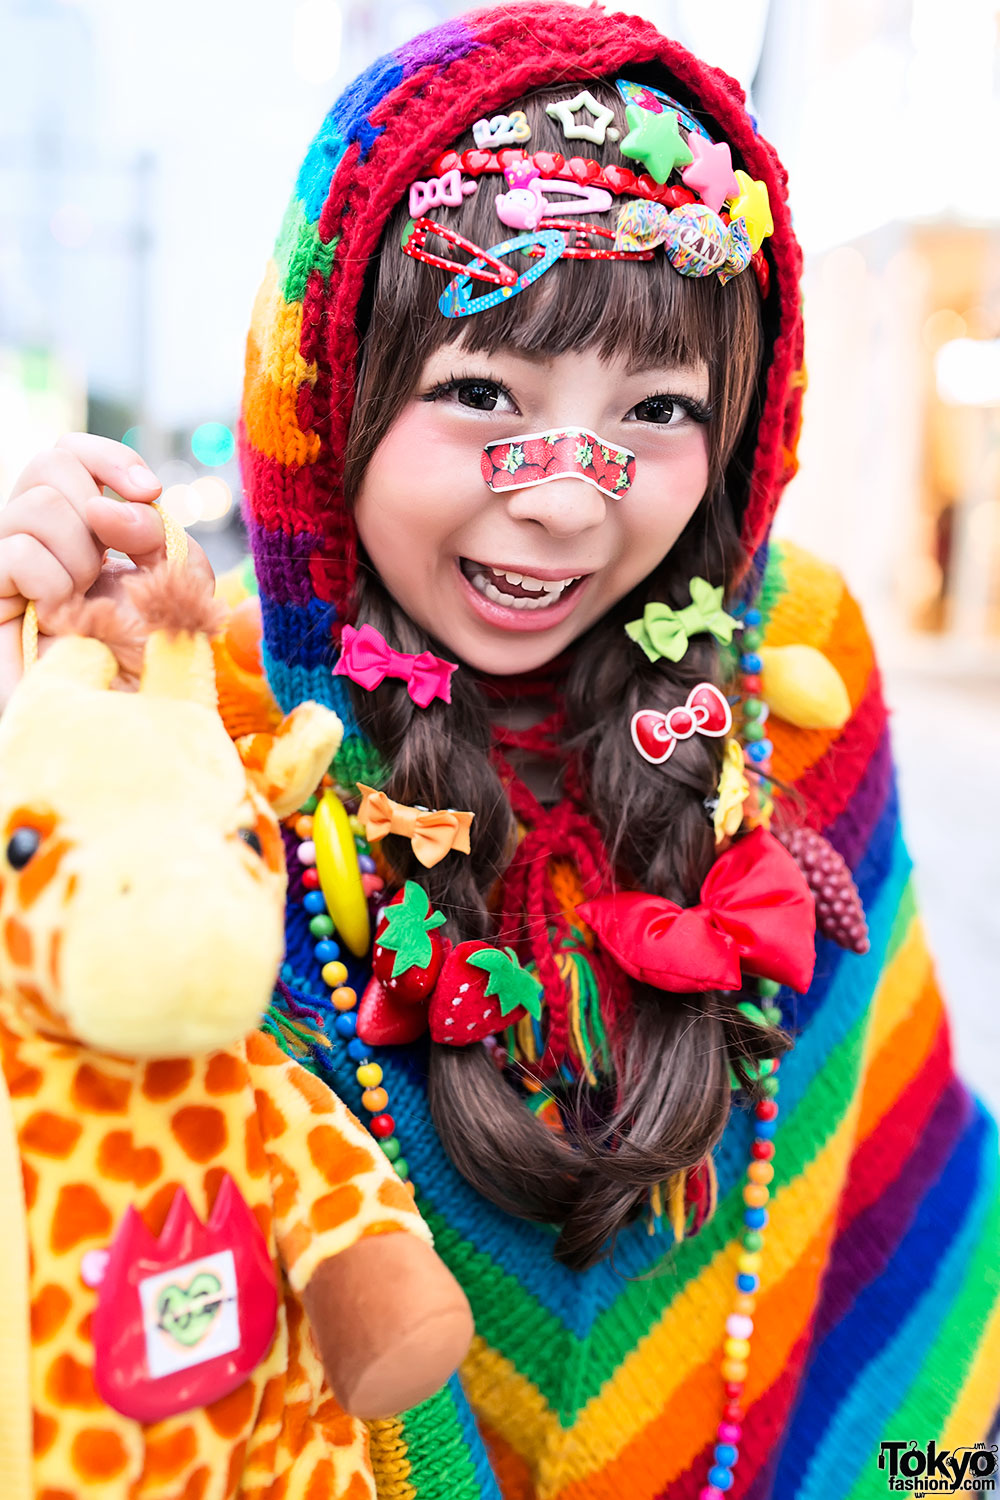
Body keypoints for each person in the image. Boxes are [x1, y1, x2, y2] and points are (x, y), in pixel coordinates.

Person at [3, 5, 998, 1497]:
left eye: (656, 411)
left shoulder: (796, 674)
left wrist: (931, 1470)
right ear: (328, 388)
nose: (564, 503)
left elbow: (877, 1160)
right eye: (481, 394)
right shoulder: (191, 729)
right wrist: (42, 693)